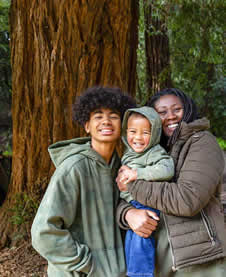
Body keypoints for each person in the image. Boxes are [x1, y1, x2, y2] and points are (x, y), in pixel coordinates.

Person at [116, 88, 226, 277]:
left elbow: (188, 200)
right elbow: (120, 195)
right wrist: (128, 213)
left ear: (188, 109)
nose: (171, 117)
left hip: (200, 261)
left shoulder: (202, 143)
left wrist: (132, 184)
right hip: (161, 258)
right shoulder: (148, 149)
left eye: (177, 109)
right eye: (162, 112)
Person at [31, 86, 136, 277]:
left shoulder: (122, 168)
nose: (106, 121)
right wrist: (86, 264)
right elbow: (43, 232)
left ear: (122, 124)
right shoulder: (74, 167)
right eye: (98, 116)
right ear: (87, 125)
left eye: (113, 115)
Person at [118, 106, 174, 277]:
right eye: (133, 131)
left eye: (145, 133)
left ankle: (140, 274)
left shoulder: (154, 152)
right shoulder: (129, 154)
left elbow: (167, 169)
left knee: (141, 239)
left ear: (155, 133)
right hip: (133, 205)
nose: (138, 137)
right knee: (132, 239)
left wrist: (137, 174)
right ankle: (133, 272)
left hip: (147, 202)